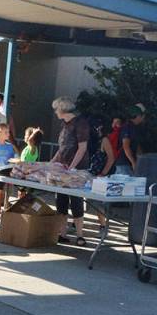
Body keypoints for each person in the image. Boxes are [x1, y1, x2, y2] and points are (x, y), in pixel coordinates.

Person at [51, 96, 90, 246]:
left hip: (77, 169)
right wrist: (51, 163)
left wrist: (72, 167)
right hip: (63, 167)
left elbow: (82, 148)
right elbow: (62, 149)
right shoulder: (64, 124)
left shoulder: (81, 123)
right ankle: (62, 233)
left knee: (76, 201)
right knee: (61, 200)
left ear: (62, 109)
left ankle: (80, 235)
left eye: (56, 109)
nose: (55, 112)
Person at [115, 104, 146, 175]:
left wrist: (140, 161)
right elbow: (126, 146)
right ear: (138, 116)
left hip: (128, 165)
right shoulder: (128, 127)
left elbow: (136, 147)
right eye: (143, 115)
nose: (144, 118)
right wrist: (134, 163)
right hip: (123, 165)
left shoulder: (134, 127)